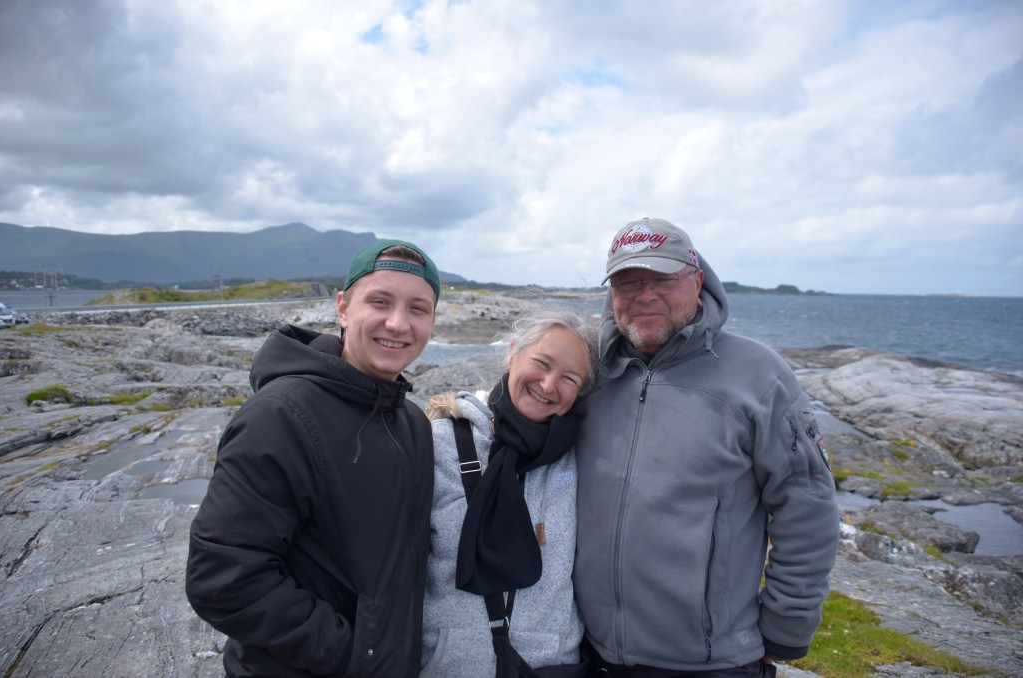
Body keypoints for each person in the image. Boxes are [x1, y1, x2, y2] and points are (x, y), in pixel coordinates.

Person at [574, 218, 840, 677]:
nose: (644, 296)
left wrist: (786, 627)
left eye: (662, 279)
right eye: (628, 283)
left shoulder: (759, 376)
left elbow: (808, 509)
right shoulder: (590, 373)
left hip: (713, 663)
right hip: (591, 652)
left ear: (697, 282)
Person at [186, 239, 441, 677]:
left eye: (418, 309)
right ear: (343, 308)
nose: (398, 324)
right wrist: (353, 656)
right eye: (380, 302)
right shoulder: (280, 416)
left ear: (432, 321)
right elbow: (223, 578)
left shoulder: (411, 423)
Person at [419, 308, 599, 678]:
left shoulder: (582, 457)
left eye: (568, 378)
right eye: (542, 364)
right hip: (450, 668)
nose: (548, 385)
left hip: (552, 667)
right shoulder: (439, 443)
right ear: (512, 352)